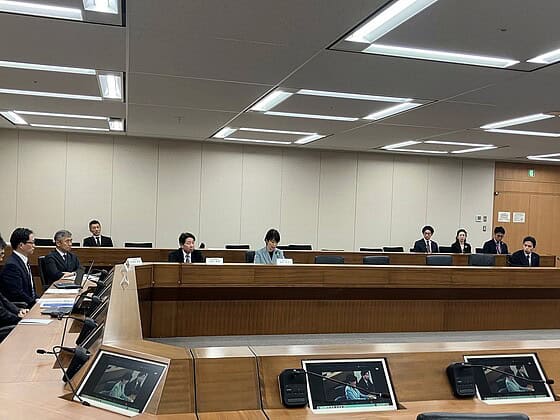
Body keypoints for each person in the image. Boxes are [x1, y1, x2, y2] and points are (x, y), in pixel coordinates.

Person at [0, 228, 37, 307]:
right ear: (21, 245)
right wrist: (35, 303)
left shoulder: (23, 260)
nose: (34, 246)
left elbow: (31, 289)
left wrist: (38, 300)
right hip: (22, 307)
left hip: (30, 303)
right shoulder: (12, 265)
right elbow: (17, 293)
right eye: (31, 243)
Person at [0, 235, 28, 330]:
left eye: (2, 255)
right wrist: (19, 318)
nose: (1, 259)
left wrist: (18, 310)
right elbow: (1, 313)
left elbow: (3, 299)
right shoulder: (12, 265)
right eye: (0, 254)